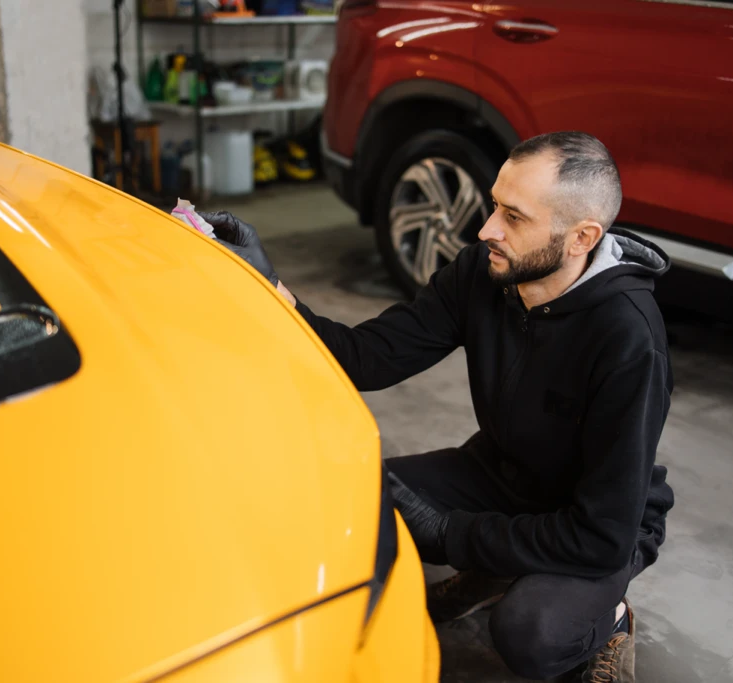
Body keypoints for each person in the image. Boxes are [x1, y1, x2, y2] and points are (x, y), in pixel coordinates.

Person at [199, 131, 675, 683]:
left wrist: (448, 532)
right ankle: (498, 565)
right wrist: (268, 283)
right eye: (495, 204)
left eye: (514, 218)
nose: (486, 229)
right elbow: (367, 357)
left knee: (533, 632)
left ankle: (608, 620)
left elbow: (600, 536)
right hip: (501, 475)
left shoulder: (629, 339)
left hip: (594, 522)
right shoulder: (485, 271)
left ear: (580, 238)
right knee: (343, 500)